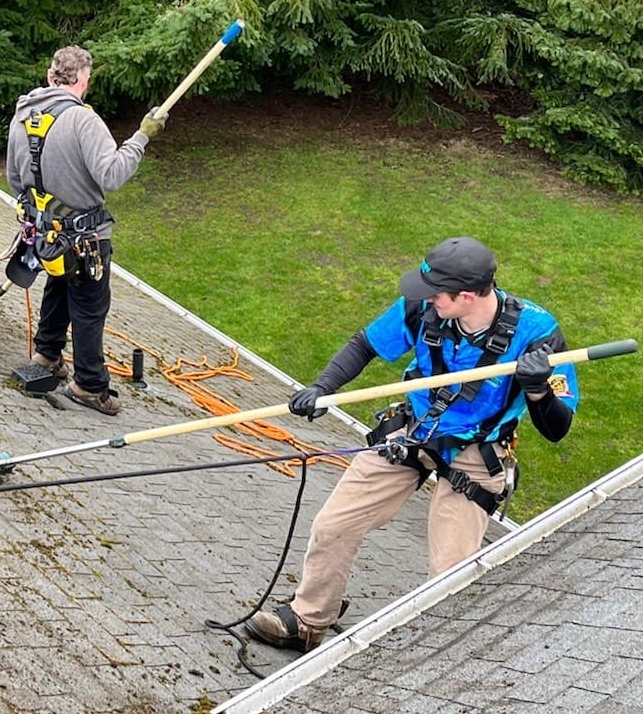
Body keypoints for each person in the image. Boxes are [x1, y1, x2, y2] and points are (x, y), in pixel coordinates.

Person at [246, 236, 579, 651]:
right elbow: (364, 344)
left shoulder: (538, 335)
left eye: (437, 294)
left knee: (451, 574)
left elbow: (556, 429)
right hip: (417, 429)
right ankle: (307, 620)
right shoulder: (422, 307)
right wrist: (323, 387)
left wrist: (536, 390)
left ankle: (426, 660)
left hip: (479, 450)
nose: (425, 299)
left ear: (470, 295)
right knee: (334, 524)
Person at [5, 45, 163, 415]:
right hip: (84, 236)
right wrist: (142, 136)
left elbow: (15, 179)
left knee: (58, 286)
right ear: (81, 80)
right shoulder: (82, 120)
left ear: (50, 76)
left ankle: (47, 354)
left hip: (46, 233)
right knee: (90, 307)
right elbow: (112, 174)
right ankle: (89, 385)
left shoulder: (23, 117)